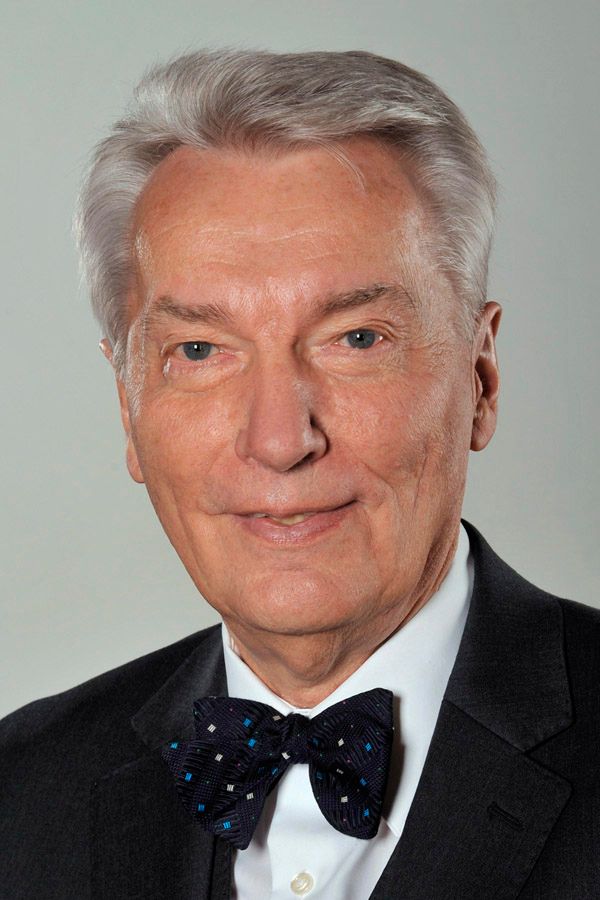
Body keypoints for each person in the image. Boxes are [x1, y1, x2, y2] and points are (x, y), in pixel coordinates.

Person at [0, 49, 597, 900]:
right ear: (128, 408)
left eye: (357, 339)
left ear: (480, 376)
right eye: (199, 351)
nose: (281, 441)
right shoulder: (22, 793)